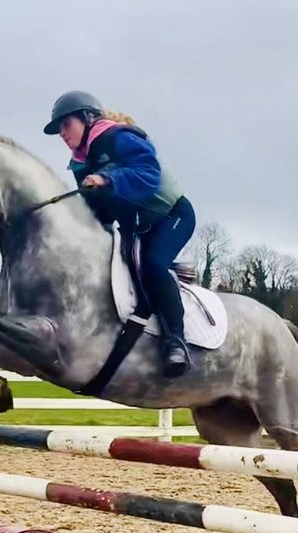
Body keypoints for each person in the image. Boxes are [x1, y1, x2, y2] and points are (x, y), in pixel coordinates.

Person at [43, 90, 196, 378]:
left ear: (87, 118)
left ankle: (177, 342)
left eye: (66, 124)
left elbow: (148, 173)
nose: (62, 133)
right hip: (135, 227)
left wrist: (106, 178)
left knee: (154, 264)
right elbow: (97, 213)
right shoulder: (80, 164)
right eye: (59, 129)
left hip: (173, 216)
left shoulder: (118, 137)